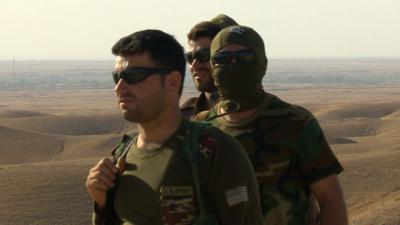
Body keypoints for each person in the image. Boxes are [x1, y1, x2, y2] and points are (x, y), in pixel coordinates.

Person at [85, 29, 263, 225]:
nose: (119, 87)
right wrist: (102, 202)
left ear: (173, 81)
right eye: (116, 77)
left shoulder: (215, 151)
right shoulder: (121, 157)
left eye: (133, 76)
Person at [195, 25, 349, 225]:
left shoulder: (295, 122)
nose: (233, 64)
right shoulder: (200, 129)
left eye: (245, 57)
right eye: (223, 59)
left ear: (261, 63)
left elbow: (330, 198)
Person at [181, 14, 238, 118]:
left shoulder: (255, 113)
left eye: (203, 55)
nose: (195, 65)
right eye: (190, 57)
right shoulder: (184, 117)